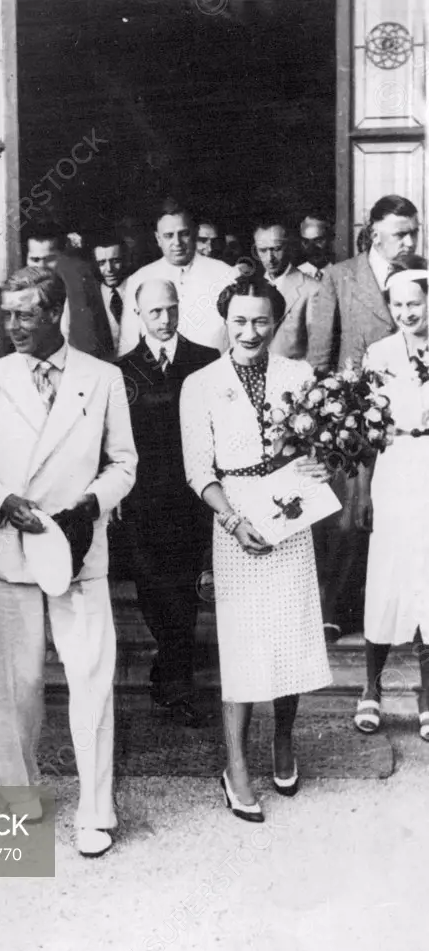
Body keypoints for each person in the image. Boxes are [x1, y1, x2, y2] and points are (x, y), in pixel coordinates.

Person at [0, 267, 137, 857]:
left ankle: (96, 810)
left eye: (25, 315)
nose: (11, 326)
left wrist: (90, 504)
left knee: (91, 683)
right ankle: (19, 799)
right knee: (13, 689)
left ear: (56, 312)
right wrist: (6, 503)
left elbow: (124, 463)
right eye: (5, 315)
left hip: (78, 552)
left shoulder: (102, 377)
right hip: (9, 550)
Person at [180, 276, 332, 822]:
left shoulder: (299, 374)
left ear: (276, 321)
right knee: (243, 644)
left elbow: (316, 444)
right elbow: (199, 470)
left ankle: (283, 740)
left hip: (291, 506)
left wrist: (317, 465)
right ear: (225, 319)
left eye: (261, 320)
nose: (249, 331)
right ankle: (236, 765)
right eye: (240, 320)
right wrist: (234, 520)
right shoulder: (200, 383)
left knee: (288, 634)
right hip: (236, 517)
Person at [308, 194, 419, 641]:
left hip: (413, 415)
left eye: (414, 231)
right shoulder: (341, 276)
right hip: (355, 416)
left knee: (408, 514)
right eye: (400, 233)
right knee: (350, 516)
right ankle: (335, 608)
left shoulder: (422, 273)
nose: (410, 241)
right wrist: (324, 416)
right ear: (374, 234)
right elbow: (319, 355)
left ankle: (412, 614)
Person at [117, 279, 217, 726]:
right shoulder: (120, 370)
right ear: (138, 315)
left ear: (180, 308)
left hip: (191, 496)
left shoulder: (205, 361)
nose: (163, 319)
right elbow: (113, 438)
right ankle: (169, 672)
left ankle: (176, 684)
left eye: (170, 309)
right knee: (152, 591)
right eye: (154, 312)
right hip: (141, 500)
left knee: (183, 592)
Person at [353, 257, 429, 740]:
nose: (406, 312)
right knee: (385, 572)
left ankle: (427, 693)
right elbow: (363, 431)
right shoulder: (378, 354)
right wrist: (362, 489)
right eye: (398, 304)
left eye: (415, 303)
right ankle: (371, 689)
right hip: (394, 464)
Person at [118, 197, 238, 356]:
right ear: (158, 239)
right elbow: (128, 345)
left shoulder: (227, 275)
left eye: (184, 234)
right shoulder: (139, 279)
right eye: (168, 235)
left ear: (195, 233)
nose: (177, 243)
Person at [21, 221, 113, 358]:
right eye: (35, 260)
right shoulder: (13, 294)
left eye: (50, 259)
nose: (41, 267)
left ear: (62, 257)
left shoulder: (79, 284)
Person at [253, 217, 320, 360]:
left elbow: (317, 350)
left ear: (289, 247)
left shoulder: (312, 289)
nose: (270, 258)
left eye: (276, 249)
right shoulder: (252, 288)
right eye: (262, 250)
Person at [91, 233, 129, 356]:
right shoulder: (91, 298)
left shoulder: (138, 288)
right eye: (102, 263)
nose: (109, 269)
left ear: (125, 260)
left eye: (115, 261)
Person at [297, 215, 334, 280]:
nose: (312, 248)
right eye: (306, 242)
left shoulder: (343, 274)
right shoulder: (296, 275)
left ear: (330, 239)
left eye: (318, 241)